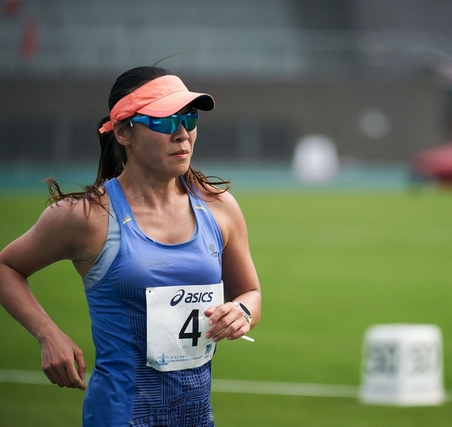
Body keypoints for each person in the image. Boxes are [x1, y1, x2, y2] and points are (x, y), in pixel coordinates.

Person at [0, 66, 261, 427]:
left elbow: (249, 292)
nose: (183, 134)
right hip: (120, 417)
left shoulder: (220, 207)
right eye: (165, 121)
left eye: (189, 117)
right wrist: (48, 335)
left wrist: (242, 313)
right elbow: (6, 268)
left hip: (198, 418)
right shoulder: (87, 216)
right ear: (124, 132)